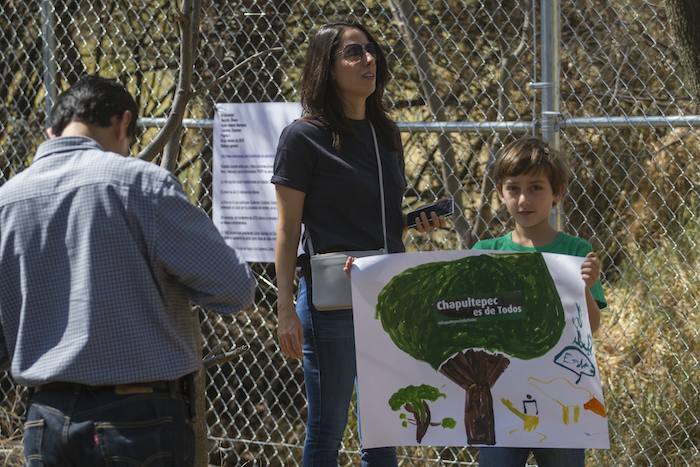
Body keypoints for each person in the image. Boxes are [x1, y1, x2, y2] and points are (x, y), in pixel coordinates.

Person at [0, 75, 256, 466]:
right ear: (123, 122)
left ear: (52, 130)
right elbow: (235, 288)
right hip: (136, 419)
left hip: (43, 420)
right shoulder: (140, 184)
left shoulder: (7, 201)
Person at [272, 21, 443, 467]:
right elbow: (289, 231)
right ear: (326, 68)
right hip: (331, 301)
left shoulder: (385, 132)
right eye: (353, 53)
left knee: (383, 427)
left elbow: (377, 222)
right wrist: (286, 308)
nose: (368, 60)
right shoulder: (302, 137)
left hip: (388, 294)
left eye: (371, 50)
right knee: (327, 427)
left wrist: (410, 222)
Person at [473, 136, 607, 467]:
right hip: (499, 401)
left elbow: (590, 327)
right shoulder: (484, 253)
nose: (523, 199)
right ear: (500, 193)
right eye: (513, 188)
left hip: (561, 400)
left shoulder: (576, 251)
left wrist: (586, 288)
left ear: (557, 193)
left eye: (536, 188)